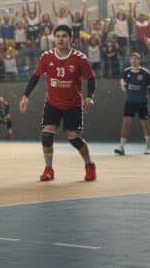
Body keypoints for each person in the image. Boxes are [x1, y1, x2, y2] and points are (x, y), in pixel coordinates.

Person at [19, 25, 96, 182]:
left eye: (64, 36)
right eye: (58, 36)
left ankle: (89, 165)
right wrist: (25, 96)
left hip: (73, 104)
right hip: (52, 103)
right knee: (46, 136)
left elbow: (91, 78)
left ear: (70, 39)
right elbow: (35, 76)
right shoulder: (47, 57)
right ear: (54, 38)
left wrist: (89, 97)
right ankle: (49, 169)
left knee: (74, 139)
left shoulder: (79, 58)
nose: (60, 39)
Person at [115, 52, 150, 155]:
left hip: (142, 102)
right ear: (130, 60)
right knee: (125, 124)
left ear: (139, 60)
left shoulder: (146, 73)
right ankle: (121, 147)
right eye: (132, 58)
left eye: (136, 59)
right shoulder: (126, 72)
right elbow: (122, 81)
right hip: (130, 102)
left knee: (145, 124)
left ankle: (148, 147)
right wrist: (122, 84)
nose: (134, 60)